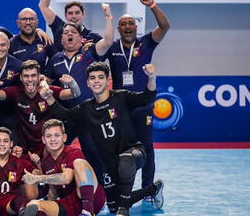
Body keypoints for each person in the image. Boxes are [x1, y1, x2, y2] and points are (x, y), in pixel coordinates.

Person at [41, 63, 165, 216]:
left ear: (108, 80)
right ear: (87, 83)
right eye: (92, 78)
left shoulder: (121, 97)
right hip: (110, 165)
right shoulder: (85, 108)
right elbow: (64, 115)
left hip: (134, 152)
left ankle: (123, 211)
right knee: (113, 204)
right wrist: (48, 97)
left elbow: (147, 97)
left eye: (101, 77)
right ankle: (154, 188)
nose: (96, 81)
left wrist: (152, 78)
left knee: (125, 164)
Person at [103, 0, 169, 191]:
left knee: (147, 146)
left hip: (143, 106)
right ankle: (120, 189)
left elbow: (164, 27)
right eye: (123, 24)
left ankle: (147, 188)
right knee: (118, 149)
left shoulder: (146, 43)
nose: (128, 27)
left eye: (131, 23)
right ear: (119, 29)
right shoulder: (112, 47)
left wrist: (153, 6)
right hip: (120, 108)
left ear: (136, 27)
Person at [43, 4, 113, 180]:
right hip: (65, 115)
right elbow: (46, 82)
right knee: (56, 149)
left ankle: (103, 188)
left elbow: (108, 42)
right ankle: (57, 186)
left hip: (89, 114)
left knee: (93, 150)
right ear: (61, 40)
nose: (68, 35)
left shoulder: (89, 53)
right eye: (65, 33)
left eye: (73, 33)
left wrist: (109, 18)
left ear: (81, 39)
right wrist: (44, 85)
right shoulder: (55, 60)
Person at [0, 60, 79, 155]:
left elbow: (75, 93)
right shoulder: (15, 92)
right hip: (24, 149)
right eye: (26, 76)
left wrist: (73, 83)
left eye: (33, 75)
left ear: (39, 77)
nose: (30, 79)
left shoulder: (48, 91)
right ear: (21, 78)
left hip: (48, 146)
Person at [22, 119, 106, 216]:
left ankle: (88, 212)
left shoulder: (73, 152)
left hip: (93, 199)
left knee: (79, 163)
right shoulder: (45, 163)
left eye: (57, 135)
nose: (53, 139)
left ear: (64, 138)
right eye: (49, 136)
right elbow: (52, 191)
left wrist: (36, 178)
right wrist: (48, 207)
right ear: (44, 140)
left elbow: (66, 178)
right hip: (70, 204)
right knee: (33, 205)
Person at [38, 0, 103, 52]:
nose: (74, 16)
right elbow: (43, 6)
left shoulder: (94, 38)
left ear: (83, 14)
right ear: (65, 15)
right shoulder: (59, 28)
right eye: (70, 13)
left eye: (77, 12)